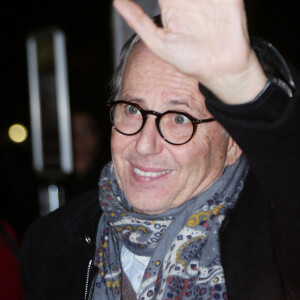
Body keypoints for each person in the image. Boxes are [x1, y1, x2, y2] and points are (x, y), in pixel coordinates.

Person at [20, 0, 300, 299]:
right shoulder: (51, 246)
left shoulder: (275, 237)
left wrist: (245, 87)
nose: (143, 143)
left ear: (233, 143)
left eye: (179, 118)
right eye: (132, 109)